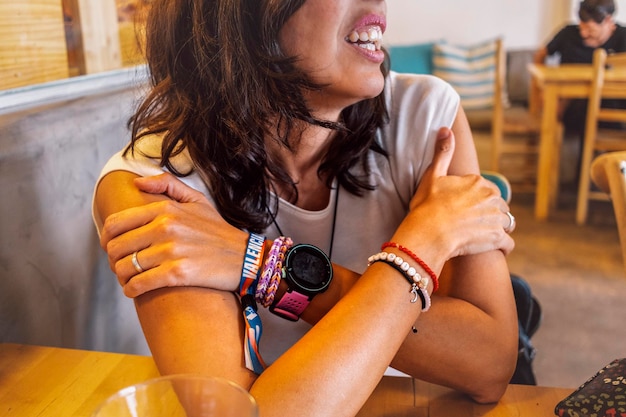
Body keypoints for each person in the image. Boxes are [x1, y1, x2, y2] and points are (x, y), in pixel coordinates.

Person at [94, 1, 518, 415]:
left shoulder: (428, 117)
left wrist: (261, 266)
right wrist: (424, 242)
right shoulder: (152, 182)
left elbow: (489, 366)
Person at [534, 0, 626, 134]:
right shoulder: (568, 33)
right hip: (571, 104)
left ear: (608, 21)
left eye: (590, 29)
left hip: (613, 105)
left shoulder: (623, 37)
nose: (583, 34)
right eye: (581, 26)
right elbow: (541, 54)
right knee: (584, 109)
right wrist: (540, 88)